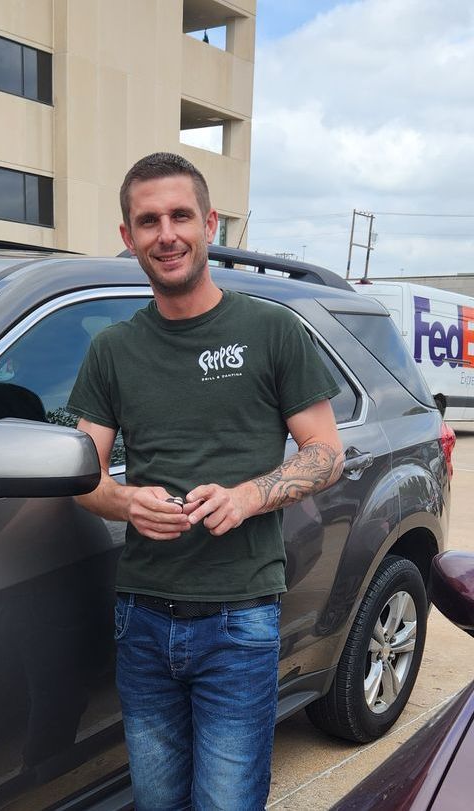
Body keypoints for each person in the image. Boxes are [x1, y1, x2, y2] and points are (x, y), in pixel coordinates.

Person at [68, 152, 344, 810]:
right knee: (157, 800)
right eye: (148, 220)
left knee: (225, 802)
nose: (166, 233)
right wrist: (124, 500)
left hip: (239, 620)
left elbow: (326, 451)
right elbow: (84, 472)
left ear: (210, 222)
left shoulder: (270, 329)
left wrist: (250, 495)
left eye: (180, 215)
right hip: (142, 618)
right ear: (127, 237)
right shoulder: (112, 349)